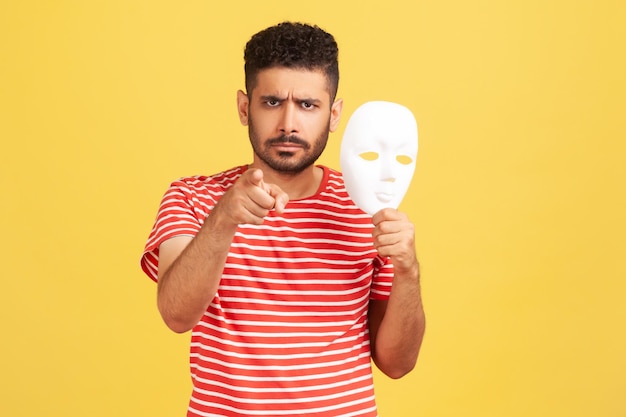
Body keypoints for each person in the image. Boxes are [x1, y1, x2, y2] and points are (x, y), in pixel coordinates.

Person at [140, 21, 426, 417]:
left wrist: (408, 271)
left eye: (308, 105)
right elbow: (175, 314)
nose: (289, 124)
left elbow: (397, 364)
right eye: (272, 102)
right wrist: (223, 219)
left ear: (334, 114)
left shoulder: (368, 208)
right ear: (244, 107)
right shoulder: (193, 198)